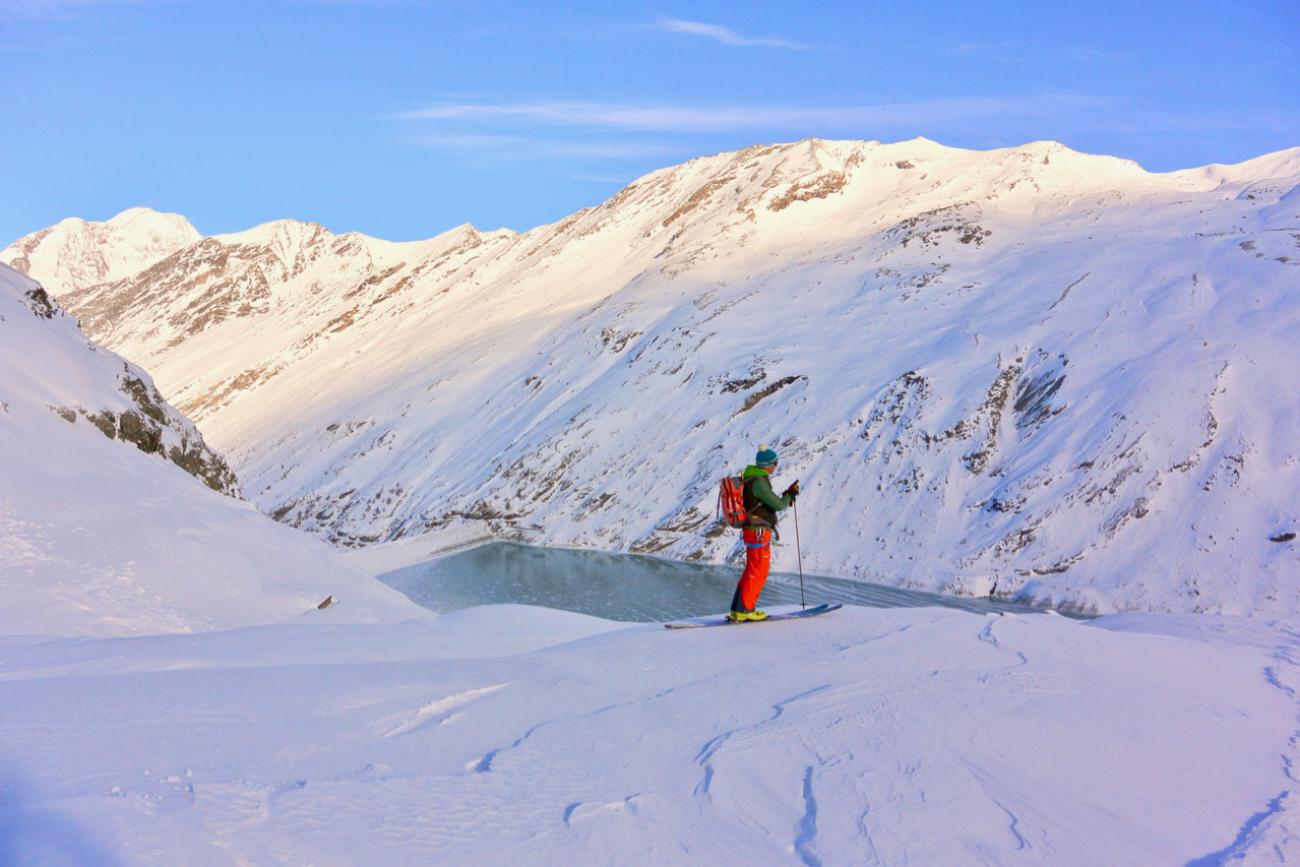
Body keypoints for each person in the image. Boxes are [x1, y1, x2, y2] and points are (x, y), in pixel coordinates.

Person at [729, 445, 799, 622]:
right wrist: (789, 496)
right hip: (758, 531)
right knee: (759, 570)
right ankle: (746, 610)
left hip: (753, 530)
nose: (776, 466)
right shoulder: (759, 482)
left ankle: (738, 609)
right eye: (774, 463)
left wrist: (786, 495)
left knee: (752, 569)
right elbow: (778, 505)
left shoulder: (752, 478)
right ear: (767, 464)